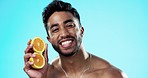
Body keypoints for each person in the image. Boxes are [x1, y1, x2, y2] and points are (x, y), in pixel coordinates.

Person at [24, 0, 128, 78]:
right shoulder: (48, 73)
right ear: (49, 39)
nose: (64, 34)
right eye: (55, 29)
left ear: (81, 31)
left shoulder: (110, 75)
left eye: (69, 25)